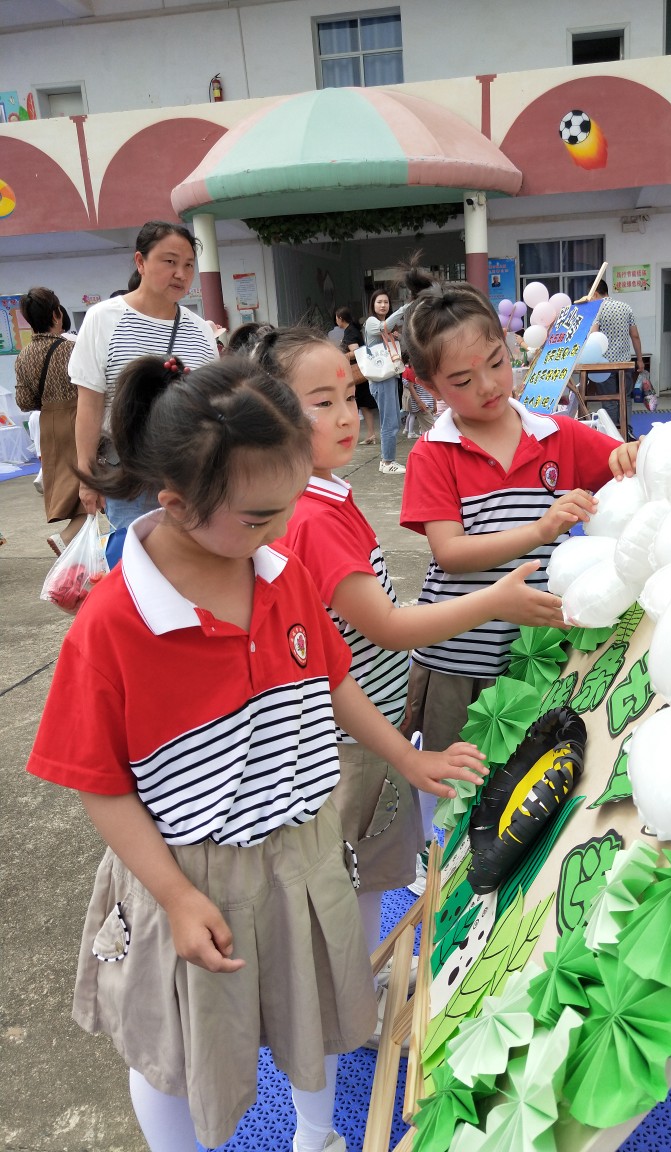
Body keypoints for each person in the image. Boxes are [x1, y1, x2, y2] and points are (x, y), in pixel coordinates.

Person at [25, 351, 486, 1152]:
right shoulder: (115, 624)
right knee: (175, 1048)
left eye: (288, 504)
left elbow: (332, 682)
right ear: (175, 503)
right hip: (194, 873)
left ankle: (317, 1135)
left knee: (317, 1010)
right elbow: (99, 783)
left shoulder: (278, 571)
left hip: (303, 847)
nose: (280, 529)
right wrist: (175, 897)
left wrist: (405, 757)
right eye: (258, 516)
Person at [254, 327, 566, 1023]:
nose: (346, 416)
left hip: (365, 725)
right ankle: (347, 1003)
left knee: (364, 872)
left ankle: (353, 991)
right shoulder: (314, 517)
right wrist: (497, 601)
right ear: (270, 413)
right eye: (321, 403)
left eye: (349, 396)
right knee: (353, 878)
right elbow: (388, 627)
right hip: (352, 740)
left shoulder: (323, 496)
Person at [396, 267, 640, 760]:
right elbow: (451, 553)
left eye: (497, 362)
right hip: (459, 662)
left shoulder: (558, 434)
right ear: (427, 384)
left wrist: (631, 454)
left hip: (540, 655)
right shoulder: (433, 453)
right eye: (462, 380)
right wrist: (541, 529)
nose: (489, 386)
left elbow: (629, 460)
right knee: (459, 784)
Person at [70, 220, 219, 566]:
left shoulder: (200, 331)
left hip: (191, 474)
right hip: (130, 477)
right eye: (170, 261)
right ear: (140, 262)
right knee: (137, 566)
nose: (181, 274)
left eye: (188, 265)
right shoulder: (104, 319)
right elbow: (89, 405)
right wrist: (87, 477)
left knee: (193, 565)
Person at [14, 287, 86, 555]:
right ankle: (67, 538)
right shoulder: (72, 349)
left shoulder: (23, 356)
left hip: (49, 424)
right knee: (91, 487)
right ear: (57, 314)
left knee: (72, 488)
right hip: (79, 418)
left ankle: (73, 543)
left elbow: (24, 401)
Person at [588, 279, 645, 437]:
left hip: (604, 365)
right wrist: (639, 359)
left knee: (609, 401)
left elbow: (593, 335)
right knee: (625, 398)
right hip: (624, 364)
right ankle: (626, 431)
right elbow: (635, 335)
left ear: (596, 293)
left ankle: (612, 434)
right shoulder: (626, 307)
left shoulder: (597, 310)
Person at [363, 289, 408, 474]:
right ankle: (387, 462)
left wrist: (398, 337)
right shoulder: (372, 322)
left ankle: (387, 460)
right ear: (373, 305)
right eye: (379, 302)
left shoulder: (386, 327)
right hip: (381, 379)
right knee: (389, 421)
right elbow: (384, 327)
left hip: (388, 377)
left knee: (393, 420)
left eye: (386, 302)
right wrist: (404, 309)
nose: (383, 305)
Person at [335, 305, 377, 445]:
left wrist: (343, 356)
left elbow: (356, 351)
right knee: (363, 405)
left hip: (356, 373)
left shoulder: (350, 332)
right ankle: (370, 434)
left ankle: (367, 434)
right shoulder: (352, 330)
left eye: (337, 318)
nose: (336, 320)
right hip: (360, 373)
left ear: (340, 318)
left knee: (358, 404)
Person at [402, 361, 436, 438]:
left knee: (427, 431)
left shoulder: (425, 369)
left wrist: (434, 403)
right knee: (432, 430)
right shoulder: (414, 370)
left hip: (426, 403)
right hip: (423, 405)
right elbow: (410, 386)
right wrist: (419, 402)